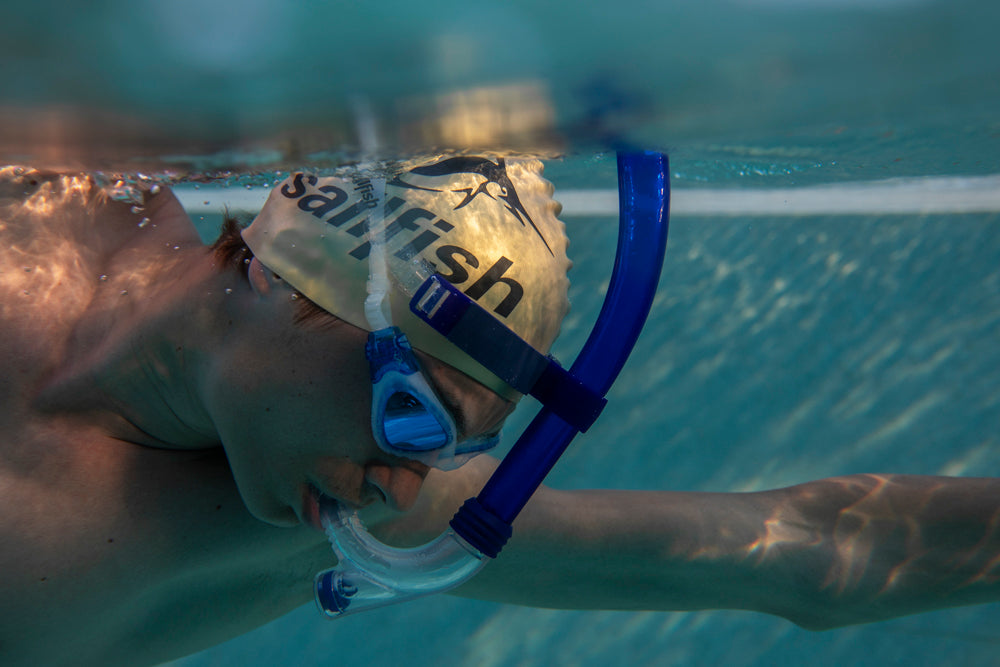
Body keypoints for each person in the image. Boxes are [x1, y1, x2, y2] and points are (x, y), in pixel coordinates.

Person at [0, 160, 997, 667]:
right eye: (414, 418)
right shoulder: (37, 190)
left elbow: (800, 551)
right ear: (283, 279)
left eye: (457, 447)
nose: (401, 482)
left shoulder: (332, 529)